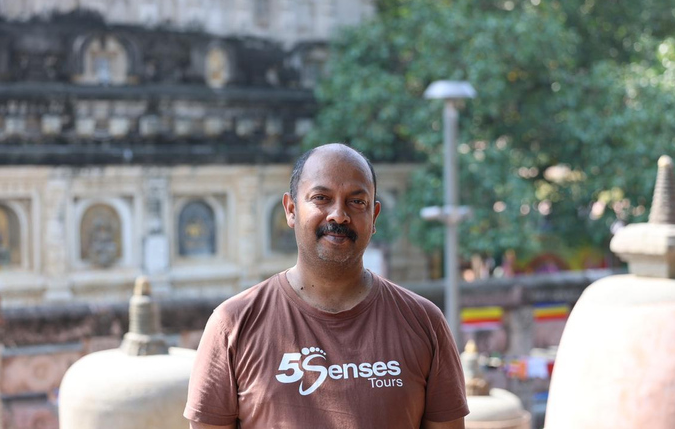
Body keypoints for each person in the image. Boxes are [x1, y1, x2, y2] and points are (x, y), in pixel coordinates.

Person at [184, 143, 468, 429]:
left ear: (374, 217)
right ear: (291, 209)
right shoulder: (233, 325)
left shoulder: (423, 322)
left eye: (357, 202)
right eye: (321, 198)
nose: (339, 215)